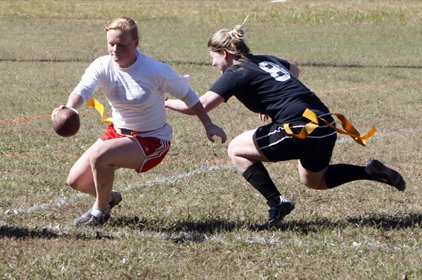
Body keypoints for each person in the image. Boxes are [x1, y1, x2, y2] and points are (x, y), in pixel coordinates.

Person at [165, 21, 406, 229]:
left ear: (224, 53)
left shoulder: (236, 71)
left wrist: (164, 102)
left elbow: (199, 105)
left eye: (212, 58)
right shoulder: (266, 59)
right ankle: (368, 171)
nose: (213, 64)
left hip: (299, 127)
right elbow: (295, 70)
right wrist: (270, 101)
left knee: (236, 149)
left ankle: (277, 202)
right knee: (314, 181)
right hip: (325, 124)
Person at [52, 17, 227, 227]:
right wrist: (70, 108)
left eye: (122, 45)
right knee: (76, 181)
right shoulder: (102, 65)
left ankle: (99, 212)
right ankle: (109, 197)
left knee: (100, 156)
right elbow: (83, 90)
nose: (115, 50)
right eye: (111, 44)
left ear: (136, 43)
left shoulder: (155, 70)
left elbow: (188, 95)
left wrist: (208, 124)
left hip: (151, 139)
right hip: (118, 132)